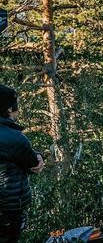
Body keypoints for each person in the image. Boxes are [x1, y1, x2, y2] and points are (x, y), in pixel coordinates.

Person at [0, 85, 45, 243]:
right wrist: (38, 156)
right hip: (8, 208)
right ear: (10, 109)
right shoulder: (15, 138)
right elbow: (33, 165)